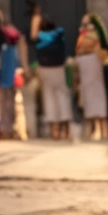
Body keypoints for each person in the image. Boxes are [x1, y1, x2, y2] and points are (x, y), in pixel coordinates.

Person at [30, 8, 70, 140]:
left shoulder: (40, 36)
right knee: (62, 97)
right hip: (59, 68)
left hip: (45, 68)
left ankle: (54, 130)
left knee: (49, 98)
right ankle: (65, 129)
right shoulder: (59, 33)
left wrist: (35, 18)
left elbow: (33, 36)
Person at [73, 13, 108, 141]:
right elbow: (78, 51)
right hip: (86, 66)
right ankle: (91, 131)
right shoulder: (82, 38)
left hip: (94, 64)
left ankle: (103, 131)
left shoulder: (97, 37)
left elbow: (104, 51)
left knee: (97, 95)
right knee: (88, 97)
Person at [0, 14, 23, 140]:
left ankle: (5, 129)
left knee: (4, 103)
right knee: (12, 103)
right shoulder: (13, 44)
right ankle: (12, 129)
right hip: (12, 72)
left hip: (3, 73)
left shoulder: (0, 40)